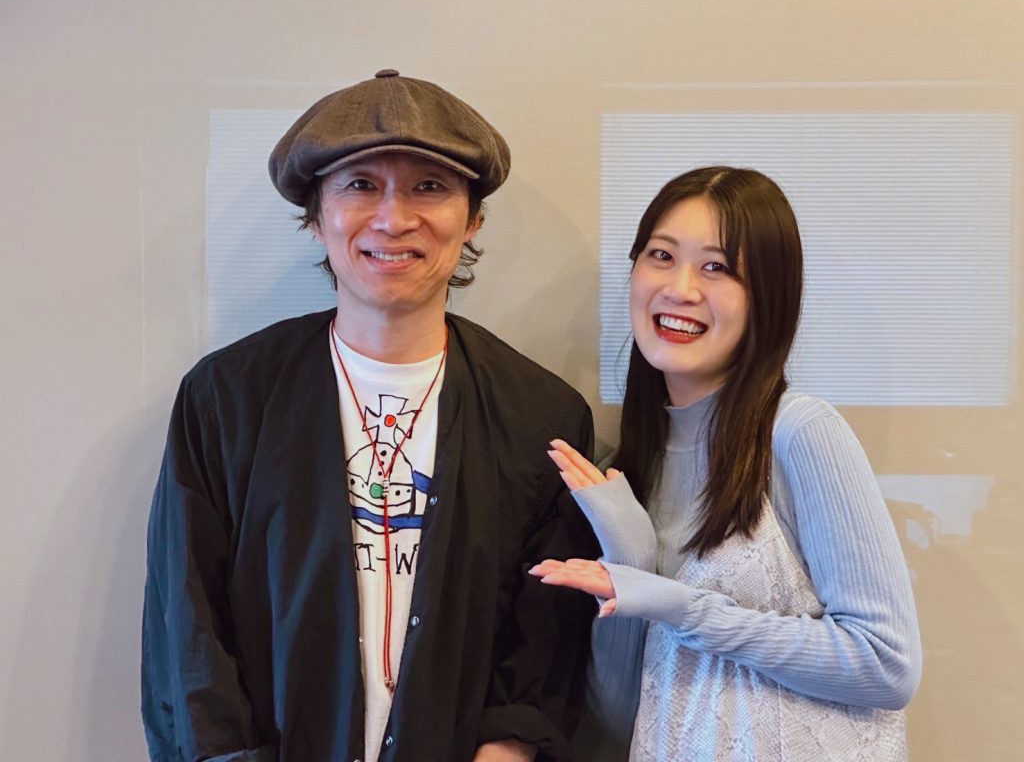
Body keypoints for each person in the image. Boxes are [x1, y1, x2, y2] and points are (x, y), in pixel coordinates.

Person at [142, 69, 598, 762]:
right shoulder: (227, 398)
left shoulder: (541, 413)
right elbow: (187, 625)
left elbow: (545, 643)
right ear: (316, 215)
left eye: (429, 187)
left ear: (473, 218)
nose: (393, 219)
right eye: (360, 185)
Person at [530, 166, 922, 761]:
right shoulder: (625, 466)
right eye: (662, 255)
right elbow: (618, 720)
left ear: (767, 296)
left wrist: (676, 603)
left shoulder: (799, 432)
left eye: (717, 268)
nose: (681, 288)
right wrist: (630, 557)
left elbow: (885, 665)